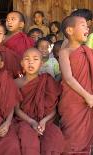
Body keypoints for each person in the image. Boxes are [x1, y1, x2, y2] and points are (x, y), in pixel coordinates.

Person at [15, 48, 64, 155]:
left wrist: (44, 121)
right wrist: (31, 122)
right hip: (24, 120)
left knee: (54, 137)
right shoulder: (16, 83)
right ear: (22, 63)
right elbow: (16, 109)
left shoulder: (47, 81)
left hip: (45, 121)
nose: (31, 62)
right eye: (27, 59)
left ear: (41, 63)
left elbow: (53, 109)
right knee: (28, 140)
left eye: (35, 59)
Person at [58, 15, 93, 154]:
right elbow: (68, 78)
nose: (87, 28)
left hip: (88, 102)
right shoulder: (64, 52)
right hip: (73, 101)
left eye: (87, 26)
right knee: (72, 138)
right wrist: (87, 96)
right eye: (83, 25)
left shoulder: (89, 52)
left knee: (86, 139)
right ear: (70, 31)